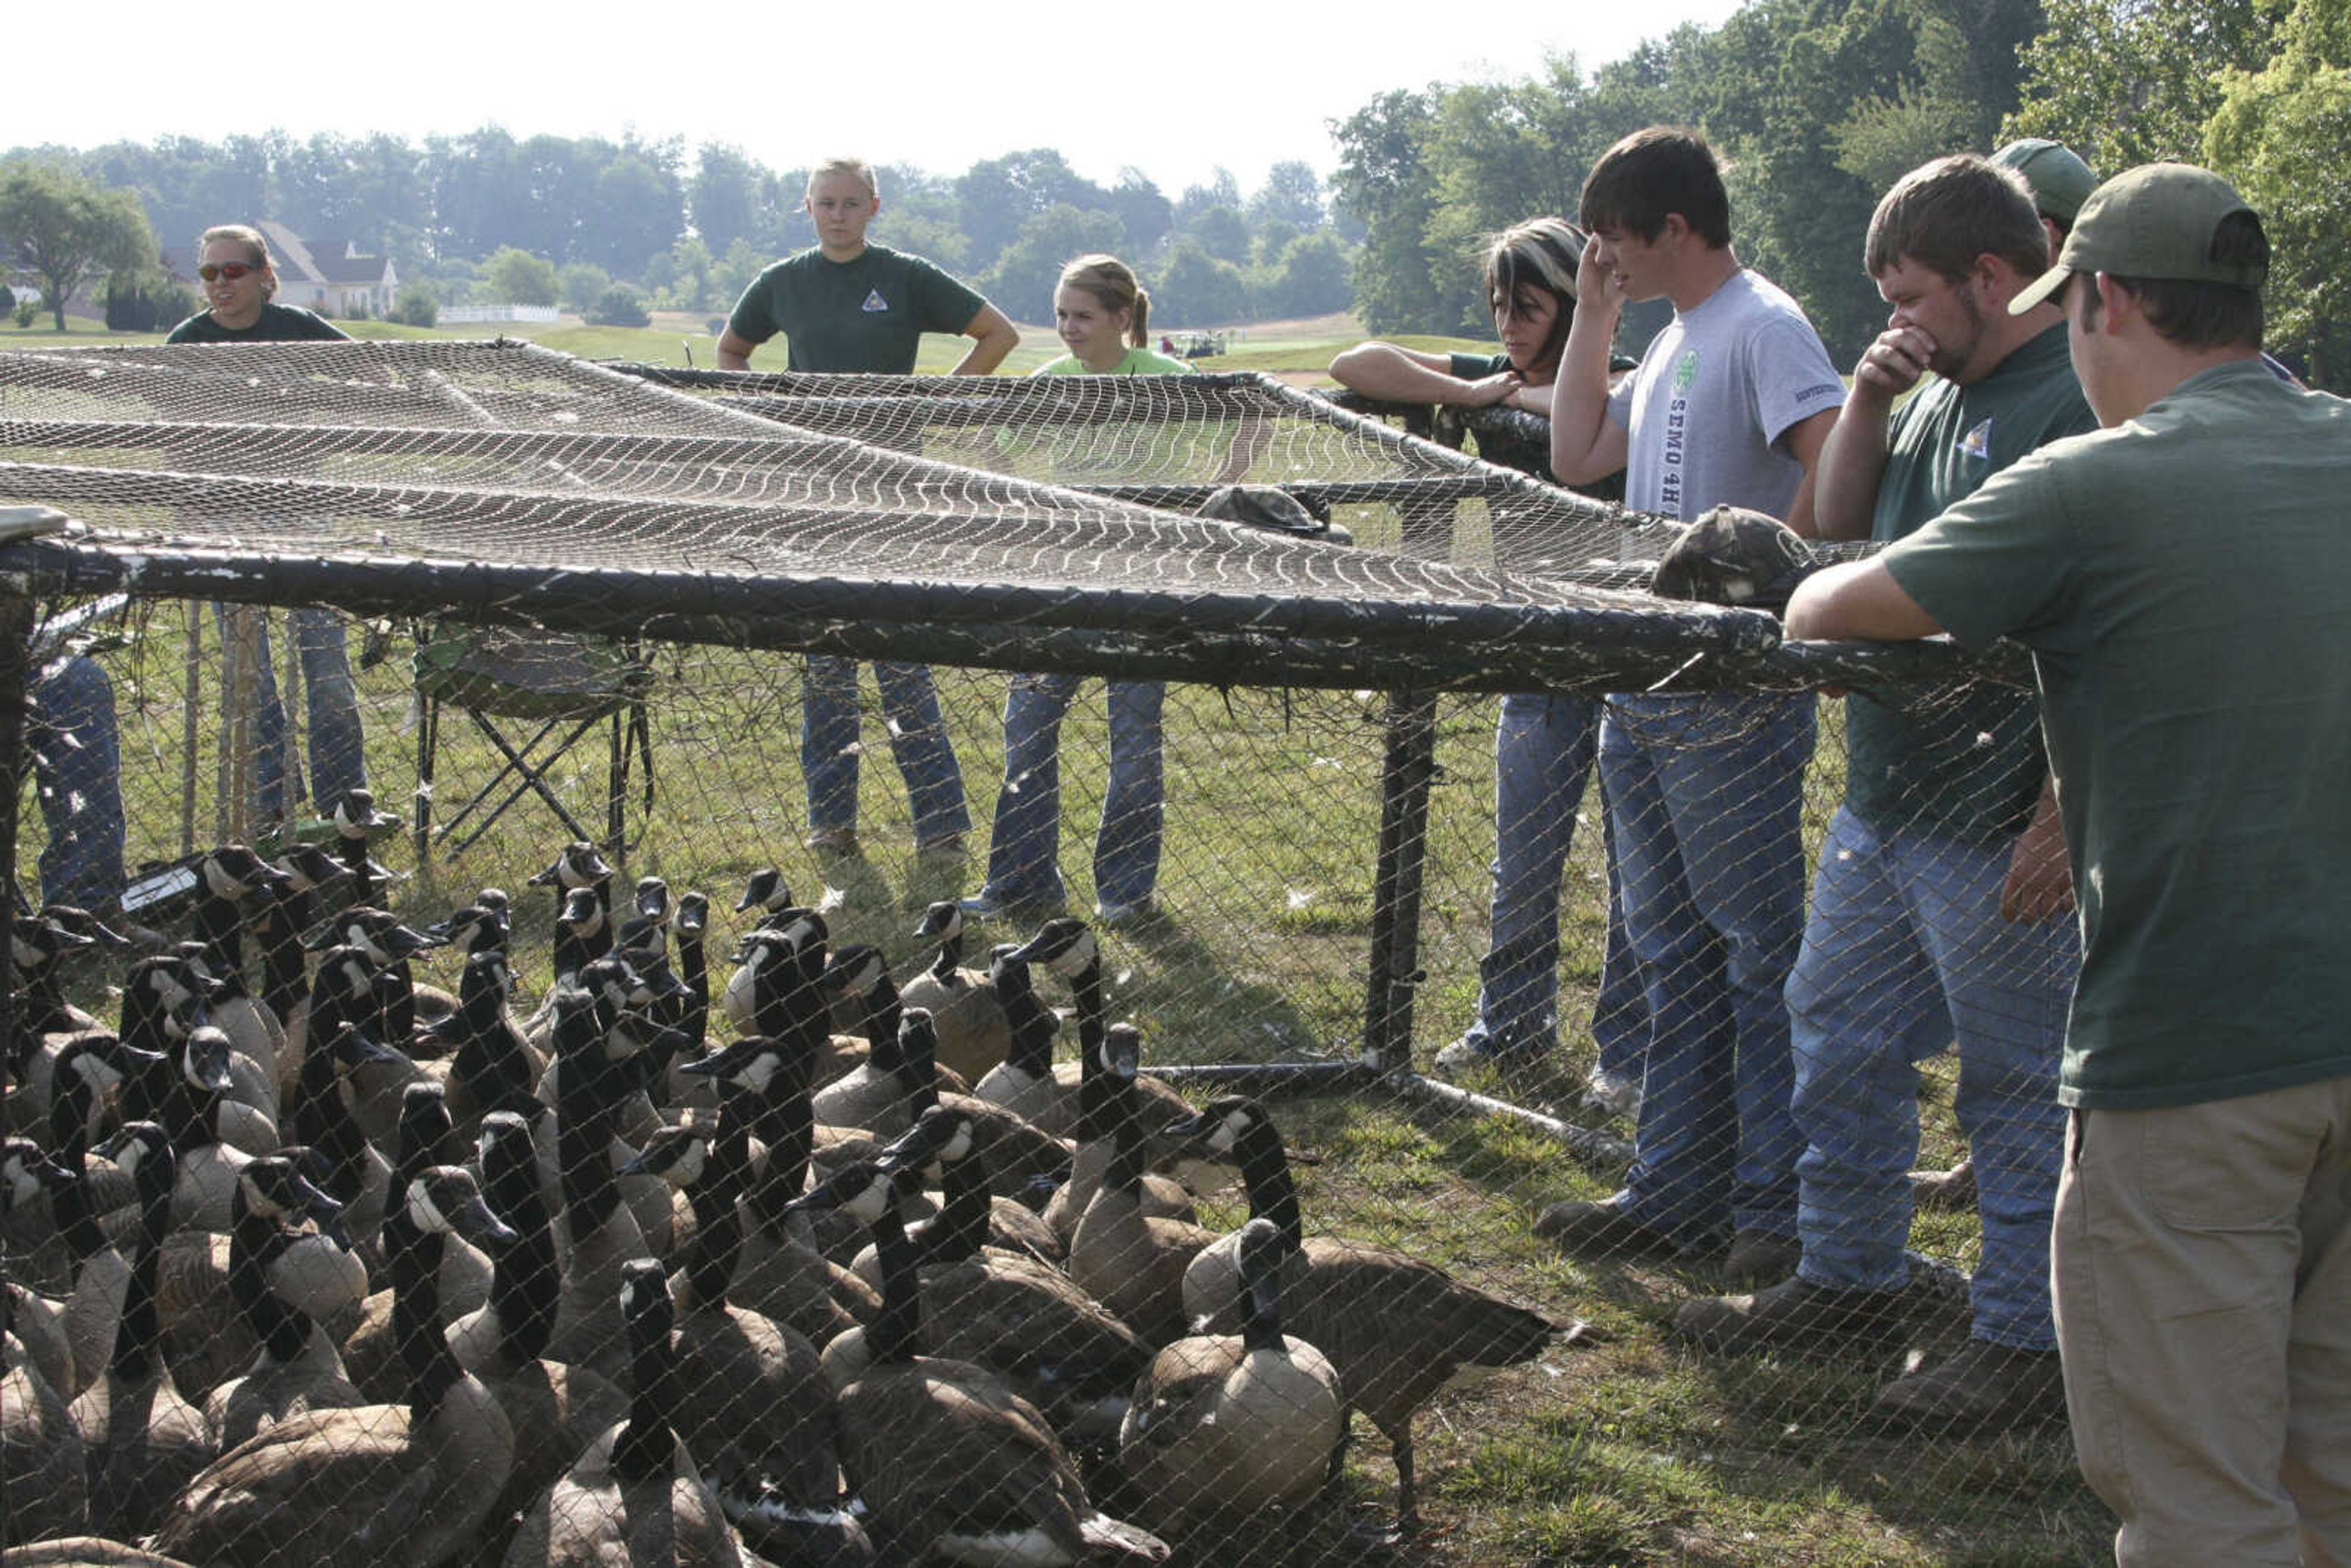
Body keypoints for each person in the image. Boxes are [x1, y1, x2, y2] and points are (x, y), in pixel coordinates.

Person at [1787, 164, 2350, 1565]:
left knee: (2197, 1494)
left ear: (2098, 298)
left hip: (2195, 1054)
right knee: (2331, 1469)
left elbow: (1823, 598)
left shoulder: (2091, 486)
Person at [1670, 155, 2091, 1438]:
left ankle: (2023, 1340)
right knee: (1836, 1037)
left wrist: (2065, 811)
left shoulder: (2070, 401)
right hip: (1890, 796)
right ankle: (1847, 1276)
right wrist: (1862, 398)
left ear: (1993, 275)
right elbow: (1832, 527)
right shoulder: (1921, 392)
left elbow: (2115, 626)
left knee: (2013, 1088)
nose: (1896, 322)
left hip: (2002, 811)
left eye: (1911, 296)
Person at [1534, 127, 1843, 1281]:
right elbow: (1575, 455)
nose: (1601, 256)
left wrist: (1782, 596)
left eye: (1614, 237)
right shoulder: (1670, 339)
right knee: (1668, 946)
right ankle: (1671, 1189)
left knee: (1757, 951)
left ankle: (1770, 1202)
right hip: (1645, 683)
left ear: (1676, 227)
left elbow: (1830, 453)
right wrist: (1598, 321)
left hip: (1727, 692)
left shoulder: (1763, 324)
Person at [1329, 217, 1648, 1115]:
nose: (1510, 323)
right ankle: (1508, 1021)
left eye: (1531, 305)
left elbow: (1606, 414)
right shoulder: (1498, 375)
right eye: (1499, 306)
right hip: (1531, 644)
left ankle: (1625, 1052)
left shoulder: (1627, 378)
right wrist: (1471, 393)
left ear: (1573, 302)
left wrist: (1514, 400)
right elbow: (1361, 362)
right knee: (1526, 849)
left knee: (1634, 866)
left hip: (1627, 644)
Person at [718, 159, 1018, 859]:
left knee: (901, 661)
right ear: (808, 207)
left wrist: (932, 402)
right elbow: (732, 352)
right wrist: (770, 414)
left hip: (893, 490)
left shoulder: (906, 276)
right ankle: (831, 820)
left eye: (852, 203)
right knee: (825, 665)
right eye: (826, 203)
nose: (839, 215)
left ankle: (940, 826)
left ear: (874, 207)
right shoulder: (781, 282)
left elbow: (996, 333)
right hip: (812, 492)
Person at [959, 255, 1189, 926]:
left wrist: (1199, 512)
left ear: (1122, 319)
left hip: (1147, 584)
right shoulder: (1052, 381)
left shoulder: (1169, 381)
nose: (1068, 328)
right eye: (1061, 314)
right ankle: (1020, 882)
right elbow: (990, 435)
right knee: (1027, 730)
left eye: (1083, 316)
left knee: (1135, 742)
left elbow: (1247, 420)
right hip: (1063, 582)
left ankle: (1124, 891)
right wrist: (1029, 505)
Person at [166, 223, 370, 821]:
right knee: (252, 684)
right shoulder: (187, 342)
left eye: (233, 271)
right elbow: (175, 444)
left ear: (263, 277)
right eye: (209, 273)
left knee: (326, 669)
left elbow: (370, 367)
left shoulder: (299, 329)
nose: (221, 284)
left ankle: (343, 805)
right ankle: (273, 808)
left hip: (304, 513)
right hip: (226, 523)